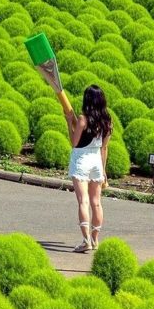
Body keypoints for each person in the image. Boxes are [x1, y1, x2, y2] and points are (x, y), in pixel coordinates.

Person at [64, 85, 112, 253]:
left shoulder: (83, 119)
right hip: (97, 162)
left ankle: (86, 241)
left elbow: (74, 142)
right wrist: (104, 171)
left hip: (82, 161)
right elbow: (104, 148)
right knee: (96, 203)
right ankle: (95, 239)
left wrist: (69, 121)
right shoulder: (107, 121)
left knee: (83, 201)